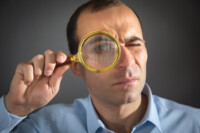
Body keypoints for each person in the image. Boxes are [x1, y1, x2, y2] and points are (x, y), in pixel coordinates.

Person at [0, 0, 199, 133]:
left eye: (134, 43)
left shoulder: (195, 124)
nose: (128, 61)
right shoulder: (42, 127)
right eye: (102, 48)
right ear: (77, 66)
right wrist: (16, 107)